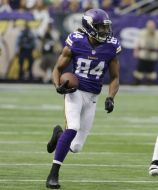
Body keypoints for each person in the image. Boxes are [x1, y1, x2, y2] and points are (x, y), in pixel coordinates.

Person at [45, 8, 121, 189]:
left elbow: (115, 77)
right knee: (73, 127)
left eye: (105, 27)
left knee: (77, 147)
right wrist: (58, 87)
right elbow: (57, 69)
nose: (104, 31)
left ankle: (59, 135)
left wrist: (111, 97)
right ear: (89, 27)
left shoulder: (111, 46)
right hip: (75, 91)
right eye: (100, 27)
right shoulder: (76, 41)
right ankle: (53, 174)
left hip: (93, 96)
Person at [133, 20, 158, 85]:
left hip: (153, 54)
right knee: (140, 68)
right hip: (143, 53)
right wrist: (136, 51)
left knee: (151, 69)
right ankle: (137, 81)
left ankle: (150, 82)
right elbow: (138, 42)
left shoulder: (157, 33)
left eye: (152, 26)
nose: (151, 27)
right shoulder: (142, 32)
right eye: (149, 25)